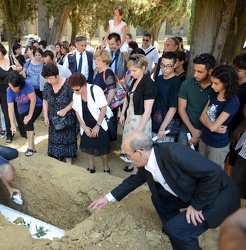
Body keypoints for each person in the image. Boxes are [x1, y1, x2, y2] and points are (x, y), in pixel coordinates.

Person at [89, 131, 240, 250]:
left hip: (217, 197)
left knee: (176, 229)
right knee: (158, 198)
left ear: (140, 152)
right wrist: (106, 198)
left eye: (128, 156)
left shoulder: (174, 152)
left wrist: (197, 205)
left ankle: (178, 231)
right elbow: (133, 181)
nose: (128, 159)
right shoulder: (146, 162)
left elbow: (214, 173)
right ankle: (175, 232)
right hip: (190, 192)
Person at [70, 72, 113, 174]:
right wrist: (84, 127)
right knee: (88, 148)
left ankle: (106, 168)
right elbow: (77, 111)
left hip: (100, 123)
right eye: (73, 89)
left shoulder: (95, 90)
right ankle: (91, 166)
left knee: (102, 149)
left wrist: (97, 126)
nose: (75, 92)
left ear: (84, 84)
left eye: (77, 89)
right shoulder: (76, 94)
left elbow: (103, 109)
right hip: (86, 124)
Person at [120, 54, 156, 173]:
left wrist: (139, 131)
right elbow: (128, 97)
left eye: (134, 70)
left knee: (138, 148)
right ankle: (135, 170)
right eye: (130, 70)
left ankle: (138, 174)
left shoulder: (148, 84)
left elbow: (148, 111)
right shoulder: (135, 80)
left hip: (141, 122)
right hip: (131, 120)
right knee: (131, 148)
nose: (132, 73)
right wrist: (122, 113)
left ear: (144, 68)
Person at [199, 65, 240, 168]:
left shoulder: (232, 101)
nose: (212, 86)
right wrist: (213, 126)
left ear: (226, 83)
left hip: (217, 145)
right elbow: (201, 116)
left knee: (212, 175)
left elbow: (210, 123)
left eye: (216, 83)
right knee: (200, 170)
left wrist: (211, 125)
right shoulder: (214, 93)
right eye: (212, 82)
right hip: (204, 139)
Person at [177, 53, 216, 148]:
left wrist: (200, 133)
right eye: (194, 70)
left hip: (208, 133)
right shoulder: (186, 84)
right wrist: (193, 131)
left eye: (200, 72)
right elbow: (181, 109)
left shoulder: (216, 87)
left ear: (210, 71)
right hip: (186, 130)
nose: (195, 74)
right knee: (181, 160)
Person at [0, 42, 25, 144]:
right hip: (3, 91)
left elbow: (21, 68)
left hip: (15, 89)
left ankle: (23, 131)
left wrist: (16, 68)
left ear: (2, 51)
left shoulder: (10, 58)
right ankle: (9, 133)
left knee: (19, 111)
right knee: (7, 113)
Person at [42, 62, 77, 164]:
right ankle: (58, 156)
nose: (49, 81)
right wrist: (46, 116)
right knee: (55, 137)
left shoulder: (68, 84)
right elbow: (45, 100)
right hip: (53, 117)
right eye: (47, 78)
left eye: (50, 78)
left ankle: (69, 159)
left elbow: (74, 100)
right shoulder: (47, 85)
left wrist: (65, 110)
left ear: (56, 75)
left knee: (68, 137)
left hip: (67, 116)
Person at [6, 71, 42, 156]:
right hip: (22, 109)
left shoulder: (27, 84)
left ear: (20, 84)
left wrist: (29, 115)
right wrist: (12, 123)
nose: (13, 90)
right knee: (26, 125)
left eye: (15, 87)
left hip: (36, 105)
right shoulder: (9, 90)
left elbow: (33, 100)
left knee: (28, 122)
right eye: (11, 87)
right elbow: (10, 108)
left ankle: (30, 147)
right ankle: (32, 147)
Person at [151, 52, 182, 142]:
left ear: (174, 64)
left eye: (168, 66)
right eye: (162, 65)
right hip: (155, 124)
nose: (165, 69)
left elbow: (173, 108)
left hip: (166, 128)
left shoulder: (175, 83)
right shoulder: (159, 79)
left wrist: (162, 128)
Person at [228, 53, 246, 168]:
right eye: (234, 68)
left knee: (231, 162)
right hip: (225, 125)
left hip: (237, 128)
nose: (235, 71)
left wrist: (237, 131)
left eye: (238, 70)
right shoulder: (232, 83)